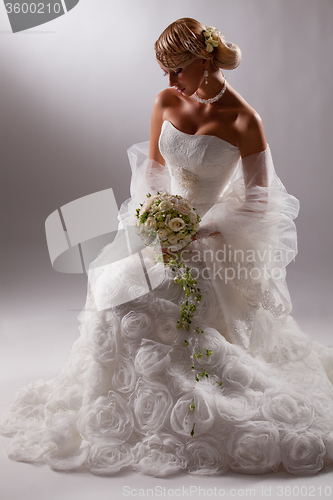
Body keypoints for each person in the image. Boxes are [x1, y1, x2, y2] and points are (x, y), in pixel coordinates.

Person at [1, 17, 333, 477]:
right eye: (165, 71)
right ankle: (116, 398)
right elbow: (153, 170)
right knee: (115, 285)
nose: (170, 81)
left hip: (208, 236)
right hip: (158, 221)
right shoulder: (166, 100)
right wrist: (154, 215)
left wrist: (201, 229)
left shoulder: (243, 119)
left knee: (168, 304)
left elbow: (260, 199)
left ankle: (180, 398)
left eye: (176, 69)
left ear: (203, 60)